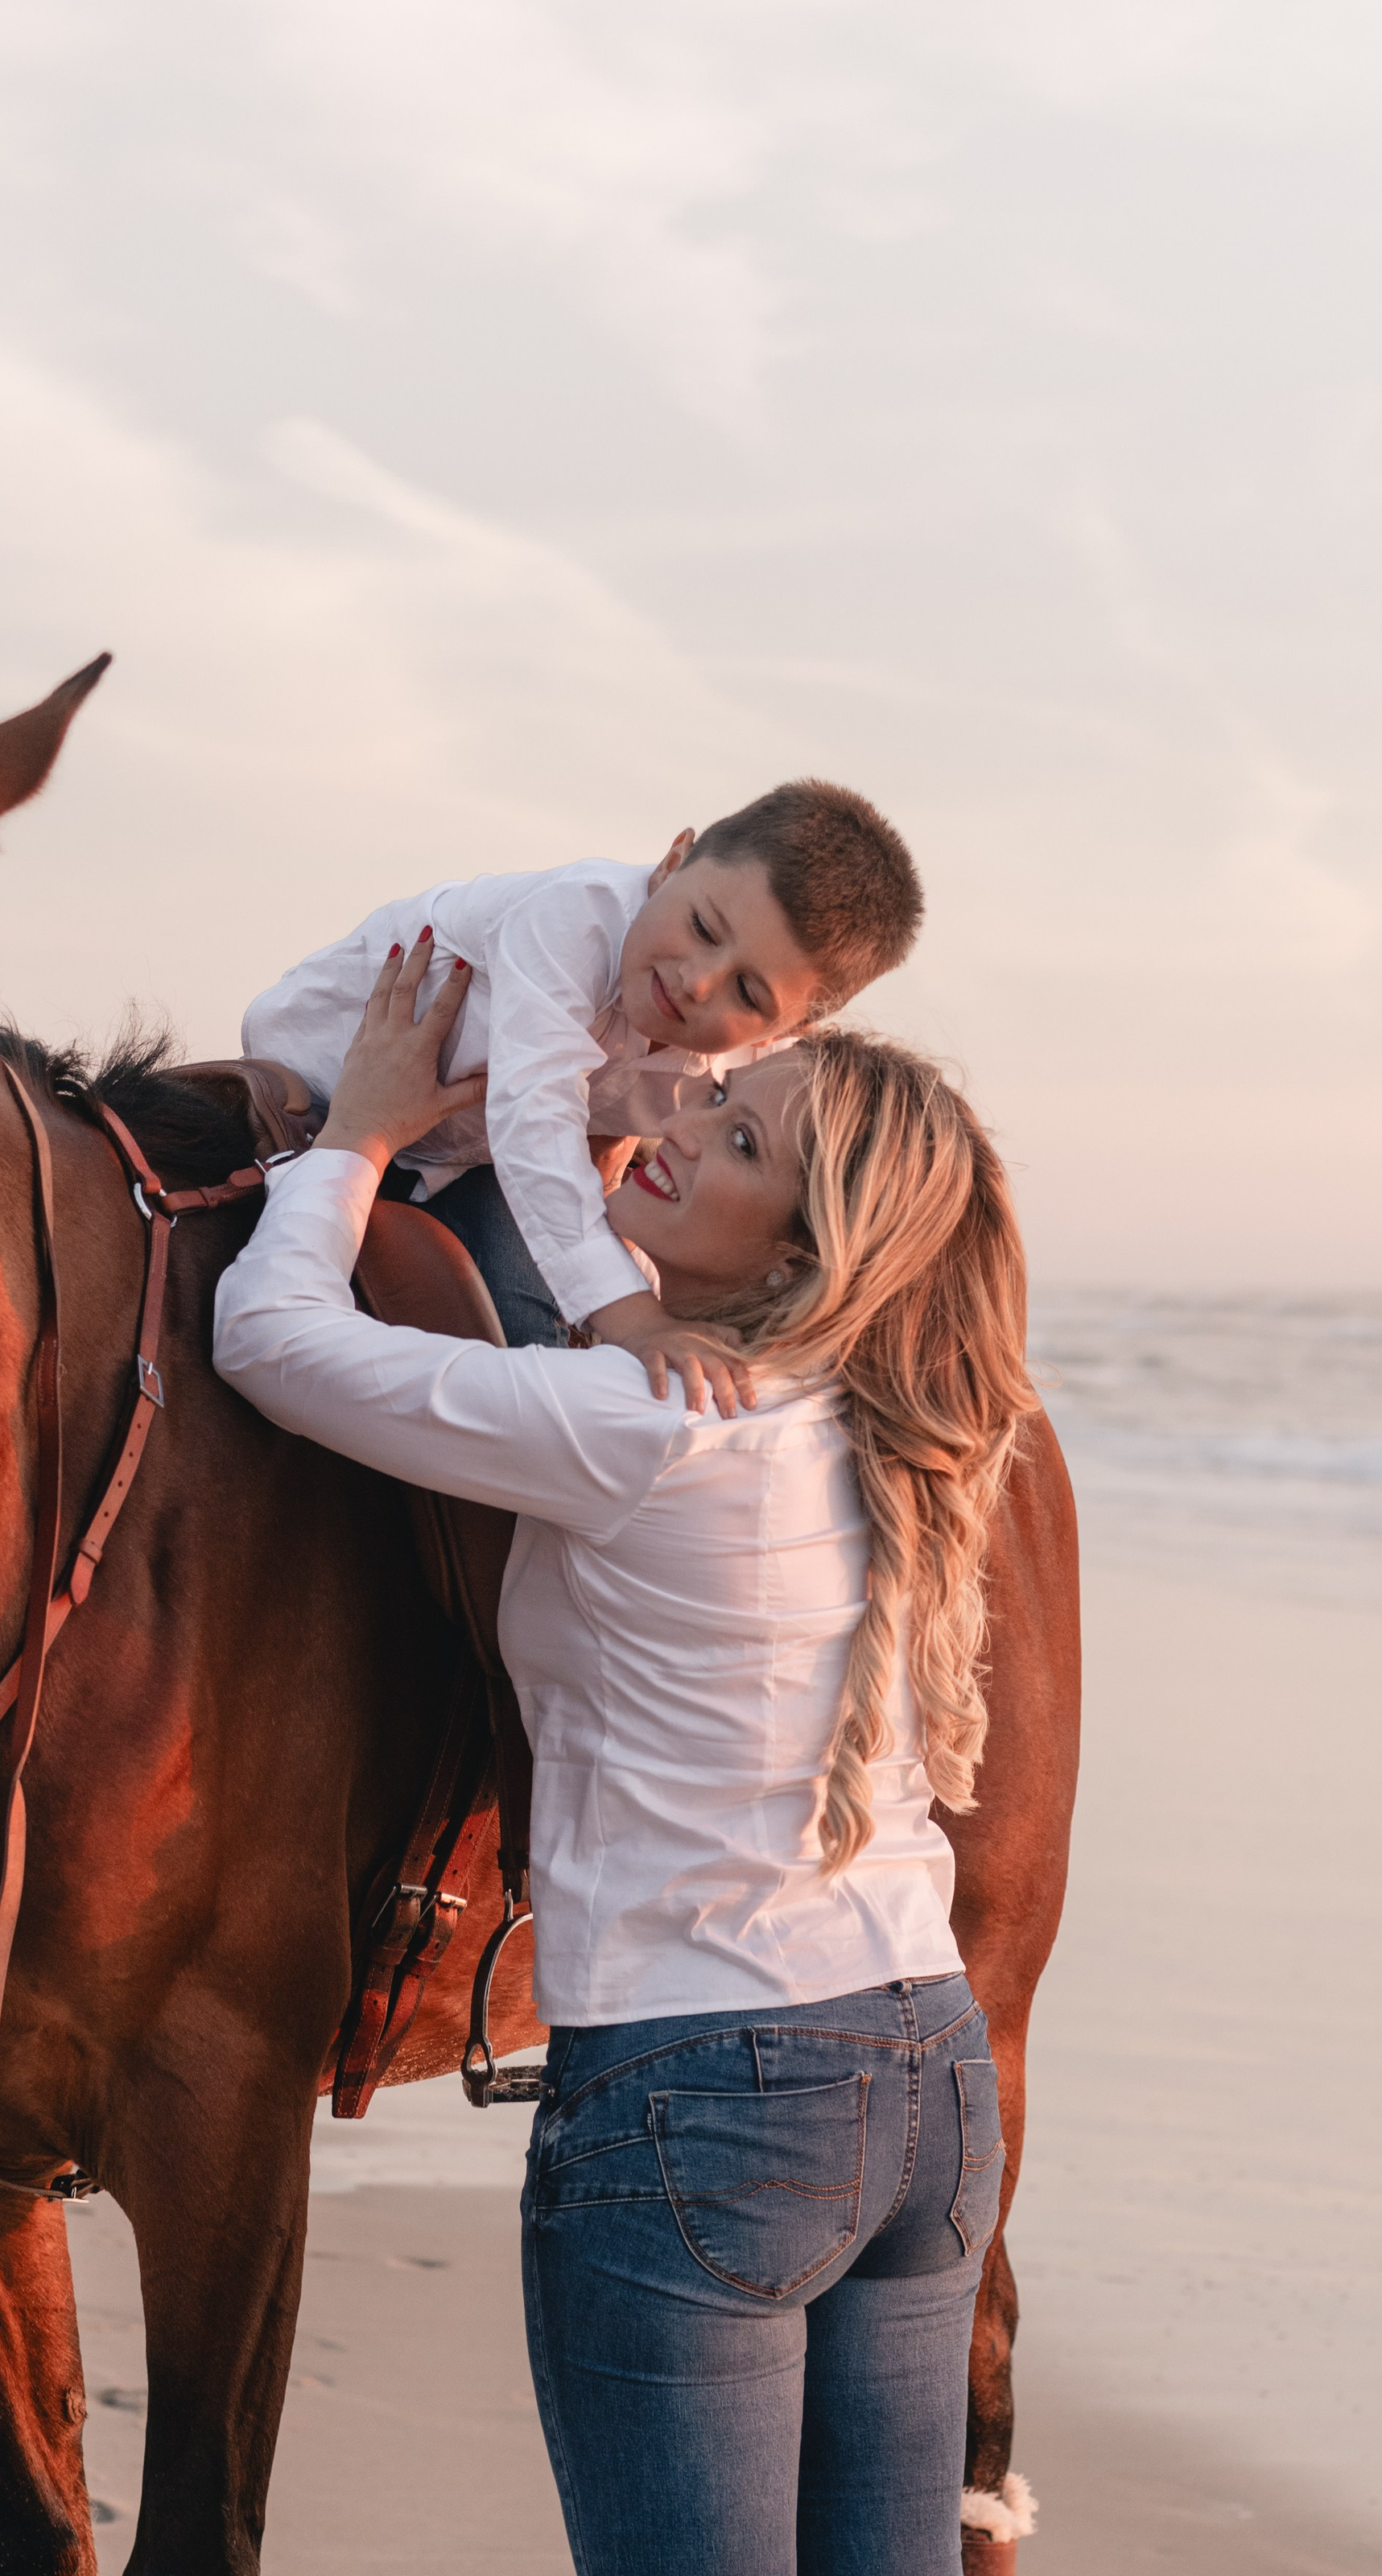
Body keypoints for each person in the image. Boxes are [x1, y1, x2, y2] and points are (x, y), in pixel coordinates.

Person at [214, 939, 1038, 2575]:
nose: (683, 1124)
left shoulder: (639, 1425)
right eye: (725, 1096)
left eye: (740, 1146)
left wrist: (359, 1137)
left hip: (703, 2091)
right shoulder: (875, 1423)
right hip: (926, 2072)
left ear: (804, 1248)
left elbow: (268, 1338)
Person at [240, 782, 922, 1410]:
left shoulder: (752, 1062)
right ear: (672, 863)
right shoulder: (569, 919)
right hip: (330, 1087)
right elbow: (535, 1120)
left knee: (530, 1328)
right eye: (704, 928)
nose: (699, 983)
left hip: (469, 1161)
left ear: (794, 1027)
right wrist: (634, 1320)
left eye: (749, 992)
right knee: (534, 1325)